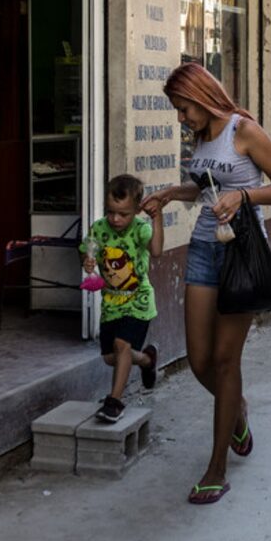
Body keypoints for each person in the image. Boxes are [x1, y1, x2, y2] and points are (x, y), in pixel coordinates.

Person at [142, 63, 271, 505]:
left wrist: (243, 196)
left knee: (226, 362)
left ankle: (216, 468)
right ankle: (238, 410)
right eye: (177, 110)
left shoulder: (243, 131)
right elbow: (203, 187)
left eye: (183, 108)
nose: (180, 118)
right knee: (198, 360)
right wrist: (172, 193)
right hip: (203, 251)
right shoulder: (201, 138)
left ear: (201, 95)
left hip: (243, 254)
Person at [82, 174, 163, 423]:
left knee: (122, 346)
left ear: (137, 210)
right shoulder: (98, 228)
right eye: (111, 212)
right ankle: (147, 360)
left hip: (138, 301)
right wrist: (87, 261)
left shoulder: (141, 229)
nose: (116, 219)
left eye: (123, 214)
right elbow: (87, 250)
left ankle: (114, 402)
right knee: (110, 358)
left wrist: (157, 218)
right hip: (111, 303)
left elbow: (157, 251)